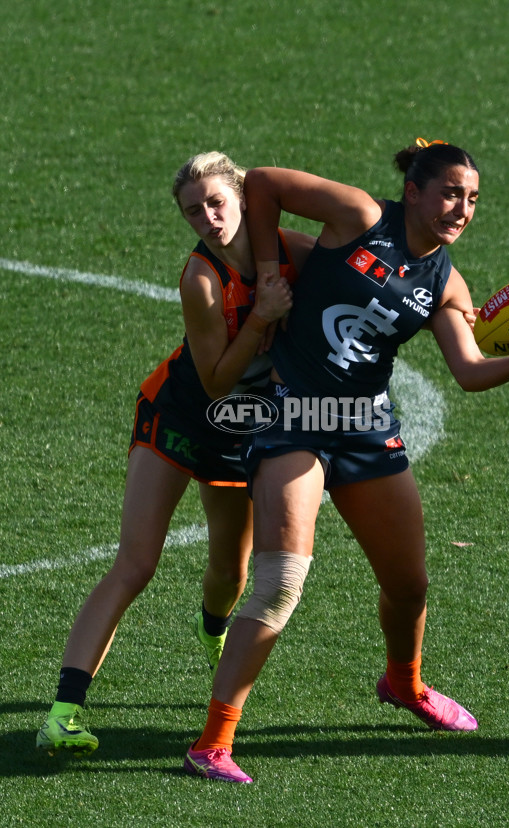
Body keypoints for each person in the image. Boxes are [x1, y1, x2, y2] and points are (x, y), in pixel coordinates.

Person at [183, 139, 509, 783]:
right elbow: (265, 183)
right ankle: (212, 741)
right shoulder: (359, 216)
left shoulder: (446, 279)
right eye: (448, 193)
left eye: (470, 199)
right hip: (294, 414)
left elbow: (467, 371)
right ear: (412, 191)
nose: (460, 208)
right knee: (279, 584)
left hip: (364, 424)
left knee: (410, 586)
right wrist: (270, 271)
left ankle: (403, 683)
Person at [35, 151, 315, 757]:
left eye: (217, 203)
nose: (209, 218)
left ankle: (213, 629)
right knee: (135, 564)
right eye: (195, 211)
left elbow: (362, 280)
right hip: (179, 417)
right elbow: (215, 381)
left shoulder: (291, 248)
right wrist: (262, 316)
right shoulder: (201, 279)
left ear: (242, 196)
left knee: (233, 574)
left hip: (241, 433)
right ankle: (63, 711)